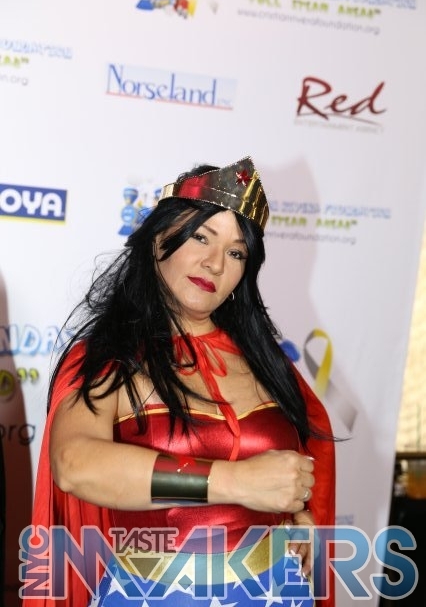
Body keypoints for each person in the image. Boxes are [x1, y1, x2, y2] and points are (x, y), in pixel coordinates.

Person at [22, 156, 336, 607]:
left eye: (235, 252)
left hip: (276, 590)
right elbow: (75, 465)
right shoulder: (107, 357)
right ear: (158, 240)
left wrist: (296, 514)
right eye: (201, 237)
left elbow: (300, 466)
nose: (215, 263)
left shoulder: (268, 361)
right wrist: (236, 482)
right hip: (154, 594)